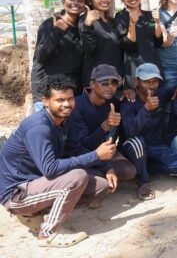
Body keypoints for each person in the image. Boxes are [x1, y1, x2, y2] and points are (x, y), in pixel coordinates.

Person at [0, 75, 116, 248]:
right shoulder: (39, 127)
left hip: (37, 183)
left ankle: (39, 212)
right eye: (60, 100)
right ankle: (47, 234)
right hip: (17, 194)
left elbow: (76, 149)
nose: (67, 104)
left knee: (100, 186)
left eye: (70, 99)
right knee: (78, 176)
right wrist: (96, 155)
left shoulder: (64, 120)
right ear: (46, 101)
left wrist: (107, 167)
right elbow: (50, 169)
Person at [67, 64, 153, 201]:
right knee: (92, 176)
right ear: (92, 84)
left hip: (106, 153)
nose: (110, 87)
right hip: (82, 154)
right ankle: (88, 187)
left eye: (114, 83)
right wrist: (105, 126)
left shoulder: (113, 101)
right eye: (104, 83)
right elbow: (82, 145)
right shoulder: (77, 106)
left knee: (129, 171)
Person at [119, 64, 177, 184]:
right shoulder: (129, 101)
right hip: (133, 148)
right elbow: (130, 132)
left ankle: (145, 168)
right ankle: (143, 182)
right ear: (136, 82)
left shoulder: (161, 94)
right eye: (146, 82)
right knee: (138, 142)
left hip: (156, 146)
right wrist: (146, 109)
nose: (151, 86)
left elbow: (173, 89)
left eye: (155, 81)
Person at [31, 0, 86, 112]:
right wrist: (58, 31)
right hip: (48, 92)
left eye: (80, 0)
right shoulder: (50, 24)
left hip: (70, 94)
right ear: (63, 2)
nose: (75, 3)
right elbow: (41, 56)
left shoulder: (82, 29)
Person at [115, 0, 163, 88]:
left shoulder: (149, 15)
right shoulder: (121, 17)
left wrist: (158, 23)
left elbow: (158, 42)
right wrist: (132, 23)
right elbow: (128, 46)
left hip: (153, 66)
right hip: (135, 69)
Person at [79, 0, 122, 87]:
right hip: (97, 82)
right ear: (89, 0)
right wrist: (88, 26)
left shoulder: (112, 21)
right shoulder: (85, 21)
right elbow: (89, 49)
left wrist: (121, 74)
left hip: (115, 79)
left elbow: (118, 52)